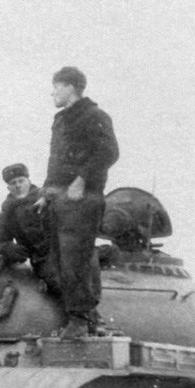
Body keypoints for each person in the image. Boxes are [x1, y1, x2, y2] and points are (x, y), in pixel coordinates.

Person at [34, 66, 119, 339]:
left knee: (76, 260)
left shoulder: (94, 115)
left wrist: (82, 179)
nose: (53, 93)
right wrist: (46, 192)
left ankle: (80, 320)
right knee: (61, 261)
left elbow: (109, 152)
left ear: (70, 86)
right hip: (59, 197)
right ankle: (85, 318)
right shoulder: (61, 119)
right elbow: (55, 160)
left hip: (81, 198)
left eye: (56, 87)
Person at [0, 163, 62, 300]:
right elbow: (0, 243)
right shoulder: (7, 211)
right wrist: (9, 248)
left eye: (21, 181)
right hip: (41, 260)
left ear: (29, 181)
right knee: (55, 283)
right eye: (13, 183)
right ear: (8, 187)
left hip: (61, 250)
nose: (18, 185)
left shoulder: (46, 198)